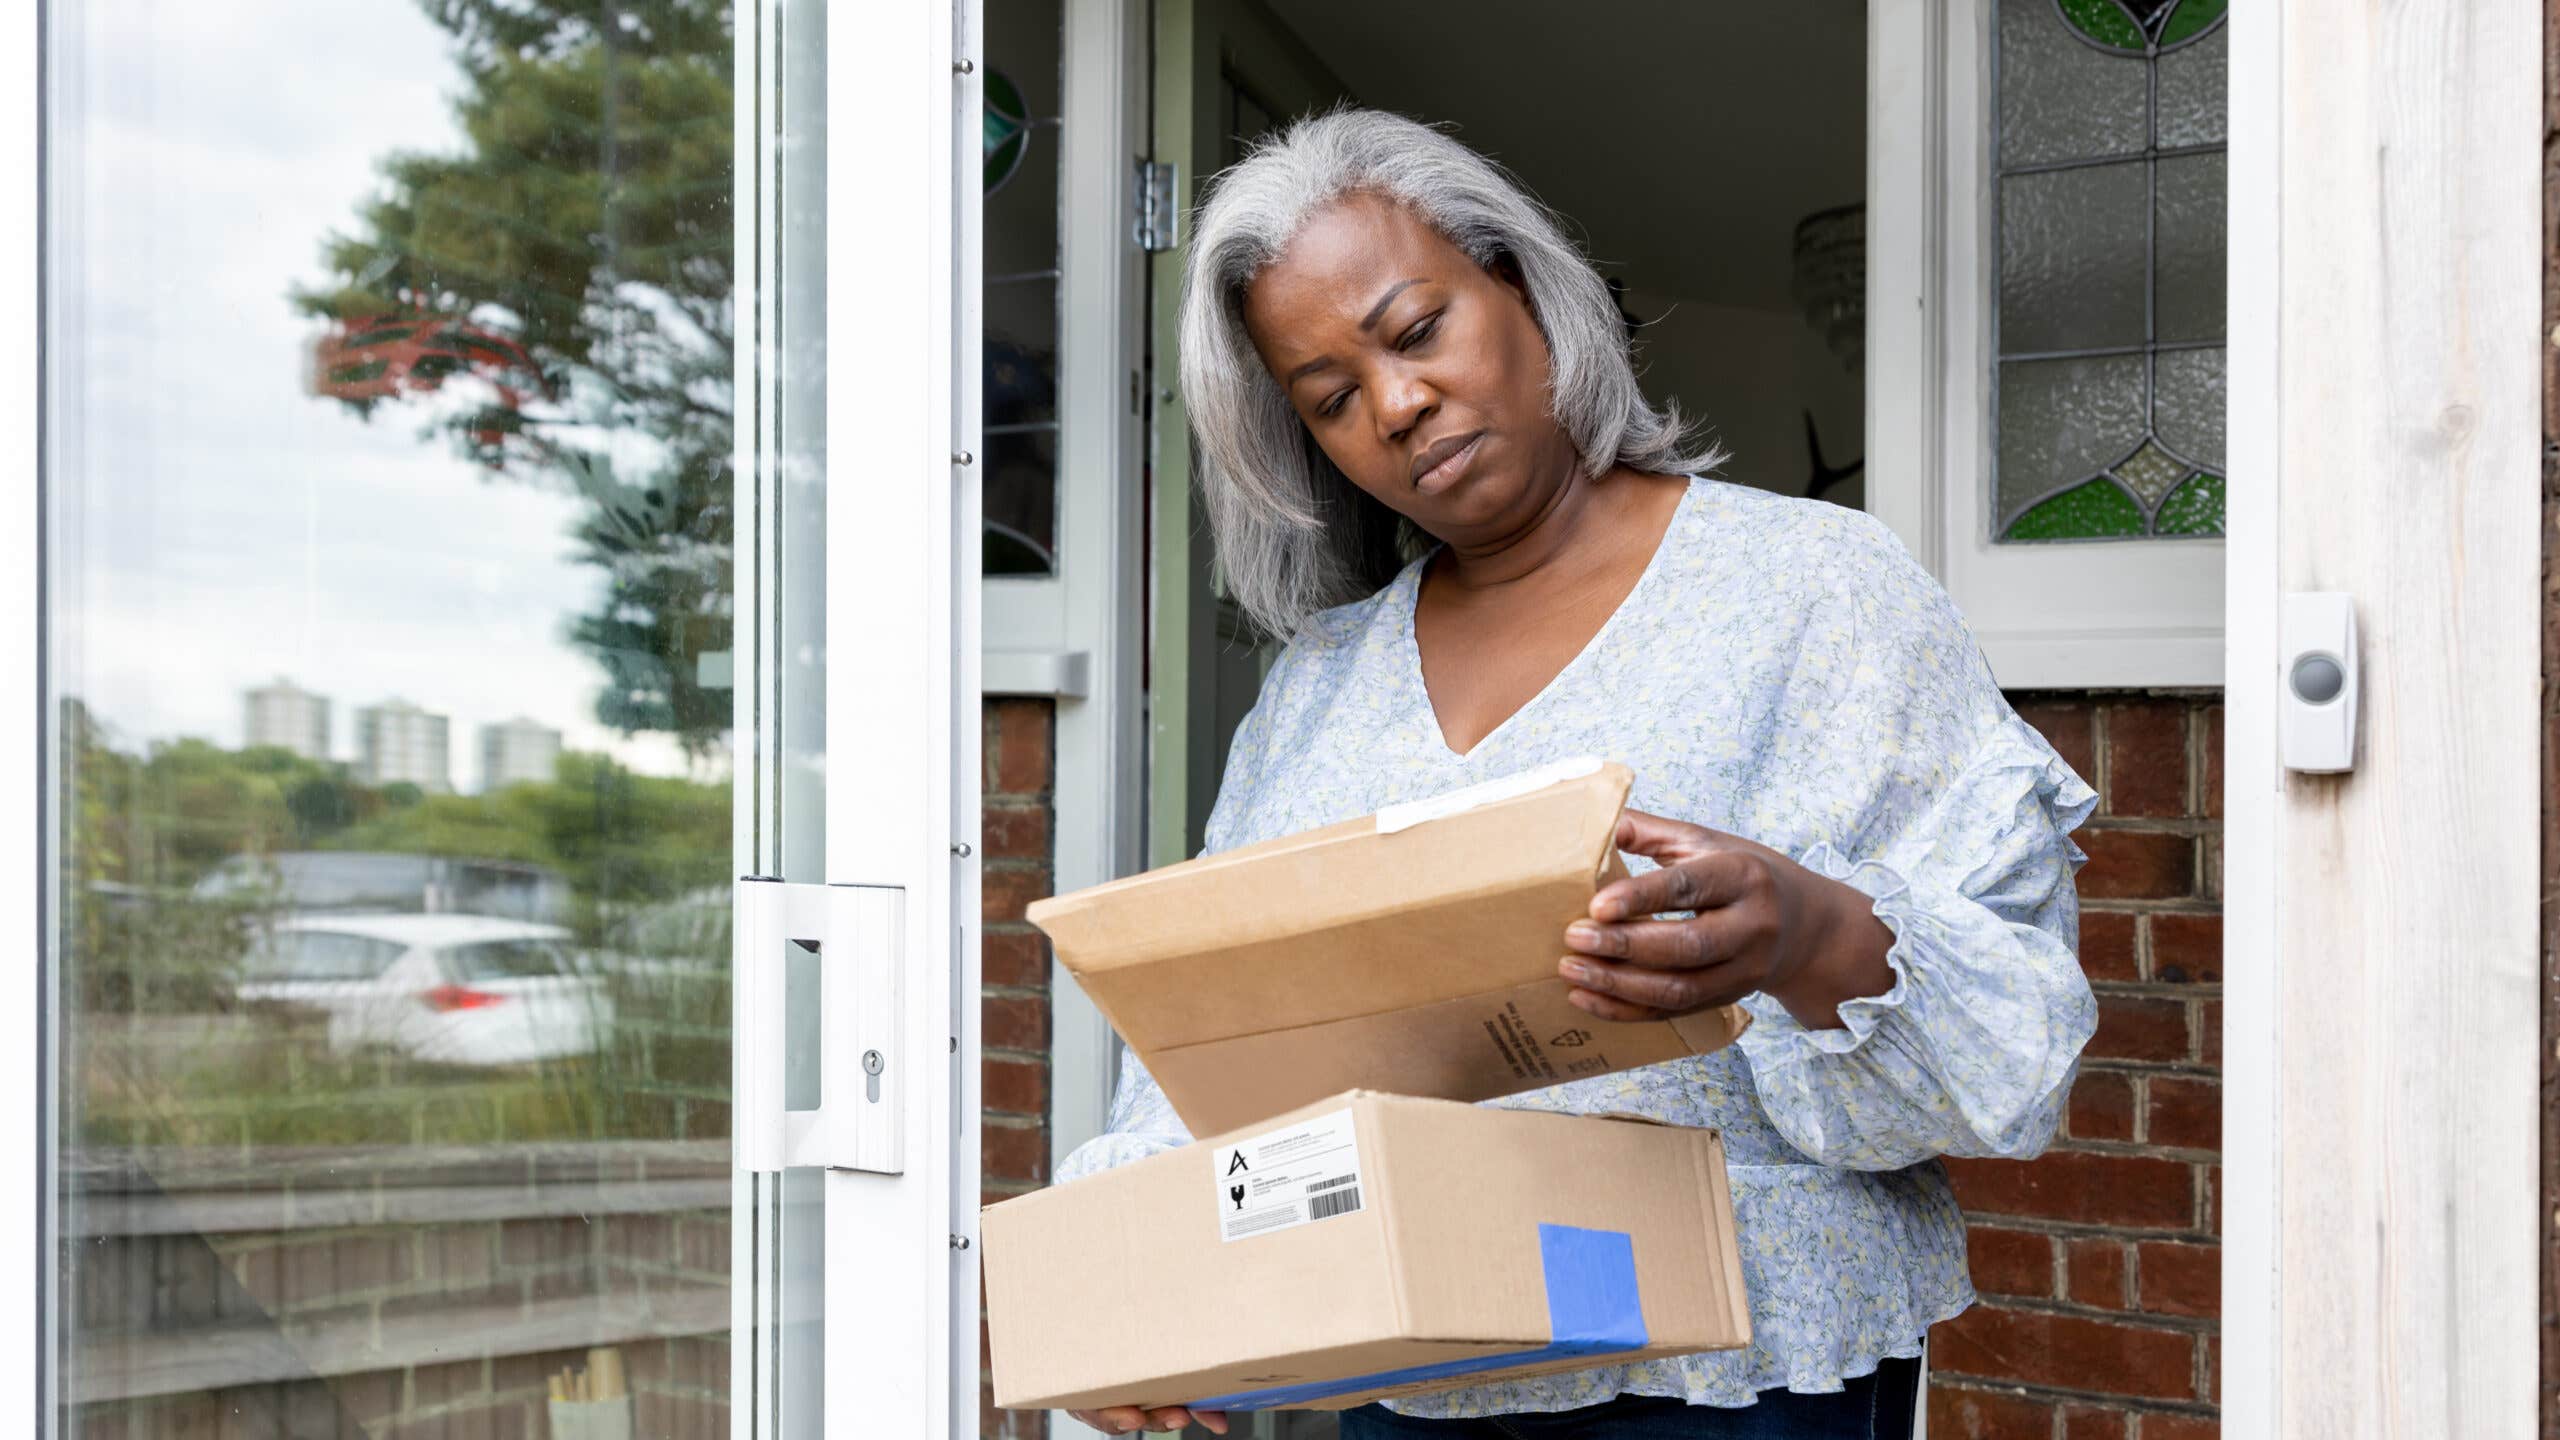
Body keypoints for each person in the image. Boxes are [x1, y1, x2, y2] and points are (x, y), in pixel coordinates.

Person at [1057, 107, 2097, 1439]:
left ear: (1528, 290)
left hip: (1740, 1385)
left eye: (1416, 330)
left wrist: (1805, 929)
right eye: (1327, 398)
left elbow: (2010, 1055)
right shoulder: (1319, 694)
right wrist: (1147, 1289)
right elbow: (1212, 1051)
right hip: (1419, 1379)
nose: (1395, 404)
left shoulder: (1814, 592)